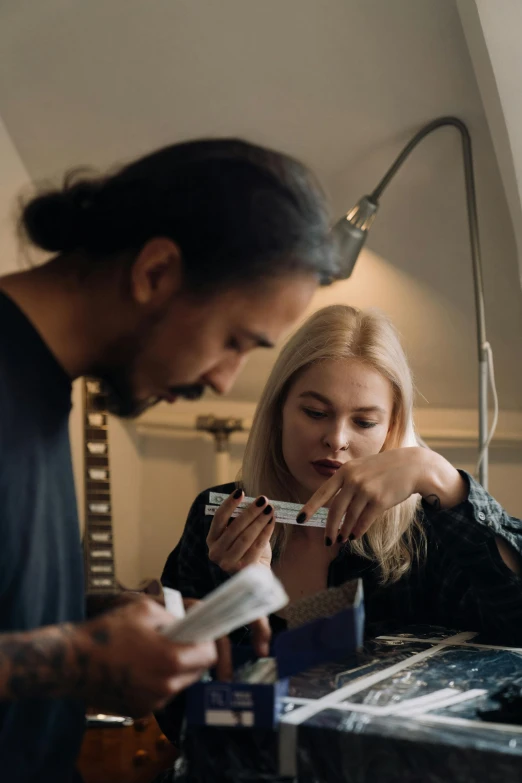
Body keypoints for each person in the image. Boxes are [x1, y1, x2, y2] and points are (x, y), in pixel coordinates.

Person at [0, 138, 337, 782]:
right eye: (234, 342)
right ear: (155, 272)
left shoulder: (43, 387)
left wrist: (101, 614)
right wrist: (75, 659)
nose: (222, 382)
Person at [163, 304, 522, 660]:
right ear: (278, 413)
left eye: (364, 422)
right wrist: (244, 597)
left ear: (391, 428)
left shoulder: (426, 533)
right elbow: (175, 687)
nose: (336, 440)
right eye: (315, 413)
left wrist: (444, 480)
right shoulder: (220, 516)